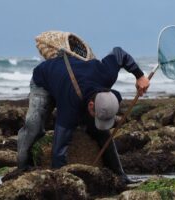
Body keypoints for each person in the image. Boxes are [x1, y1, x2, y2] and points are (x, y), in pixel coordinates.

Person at [17, 31, 150, 183]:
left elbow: (119, 53)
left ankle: (120, 175)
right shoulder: (70, 106)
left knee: (101, 133)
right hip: (43, 82)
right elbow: (59, 151)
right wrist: (61, 183)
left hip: (74, 84)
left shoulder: (106, 75)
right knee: (33, 125)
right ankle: (21, 168)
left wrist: (139, 76)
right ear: (91, 105)